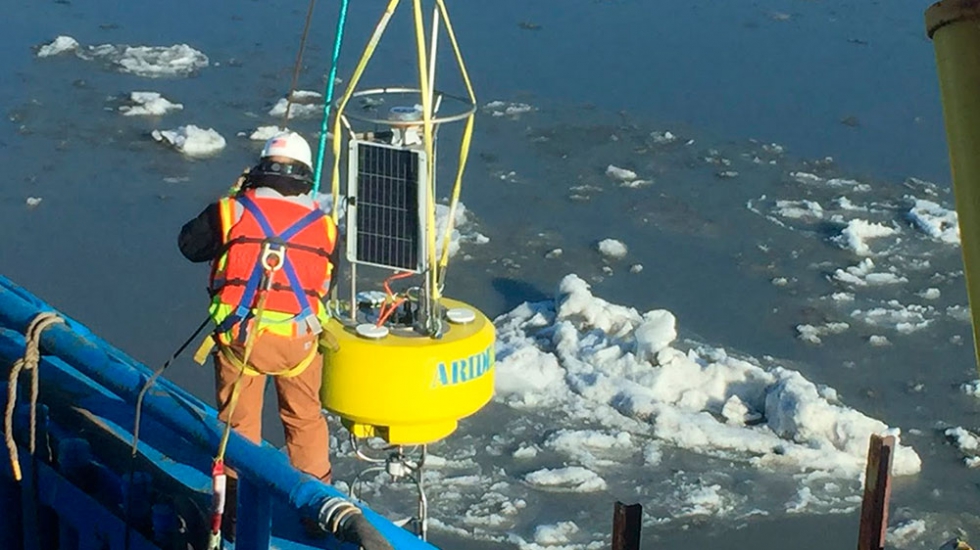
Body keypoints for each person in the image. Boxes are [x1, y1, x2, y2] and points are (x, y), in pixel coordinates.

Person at [177, 132, 338, 533]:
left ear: (260, 170)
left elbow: (190, 246)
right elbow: (326, 283)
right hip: (297, 343)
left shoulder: (231, 211)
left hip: (241, 340)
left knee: (239, 425)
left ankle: (234, 510)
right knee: (304, 420)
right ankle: (316, 511)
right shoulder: (326, 226)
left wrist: (235, 194)